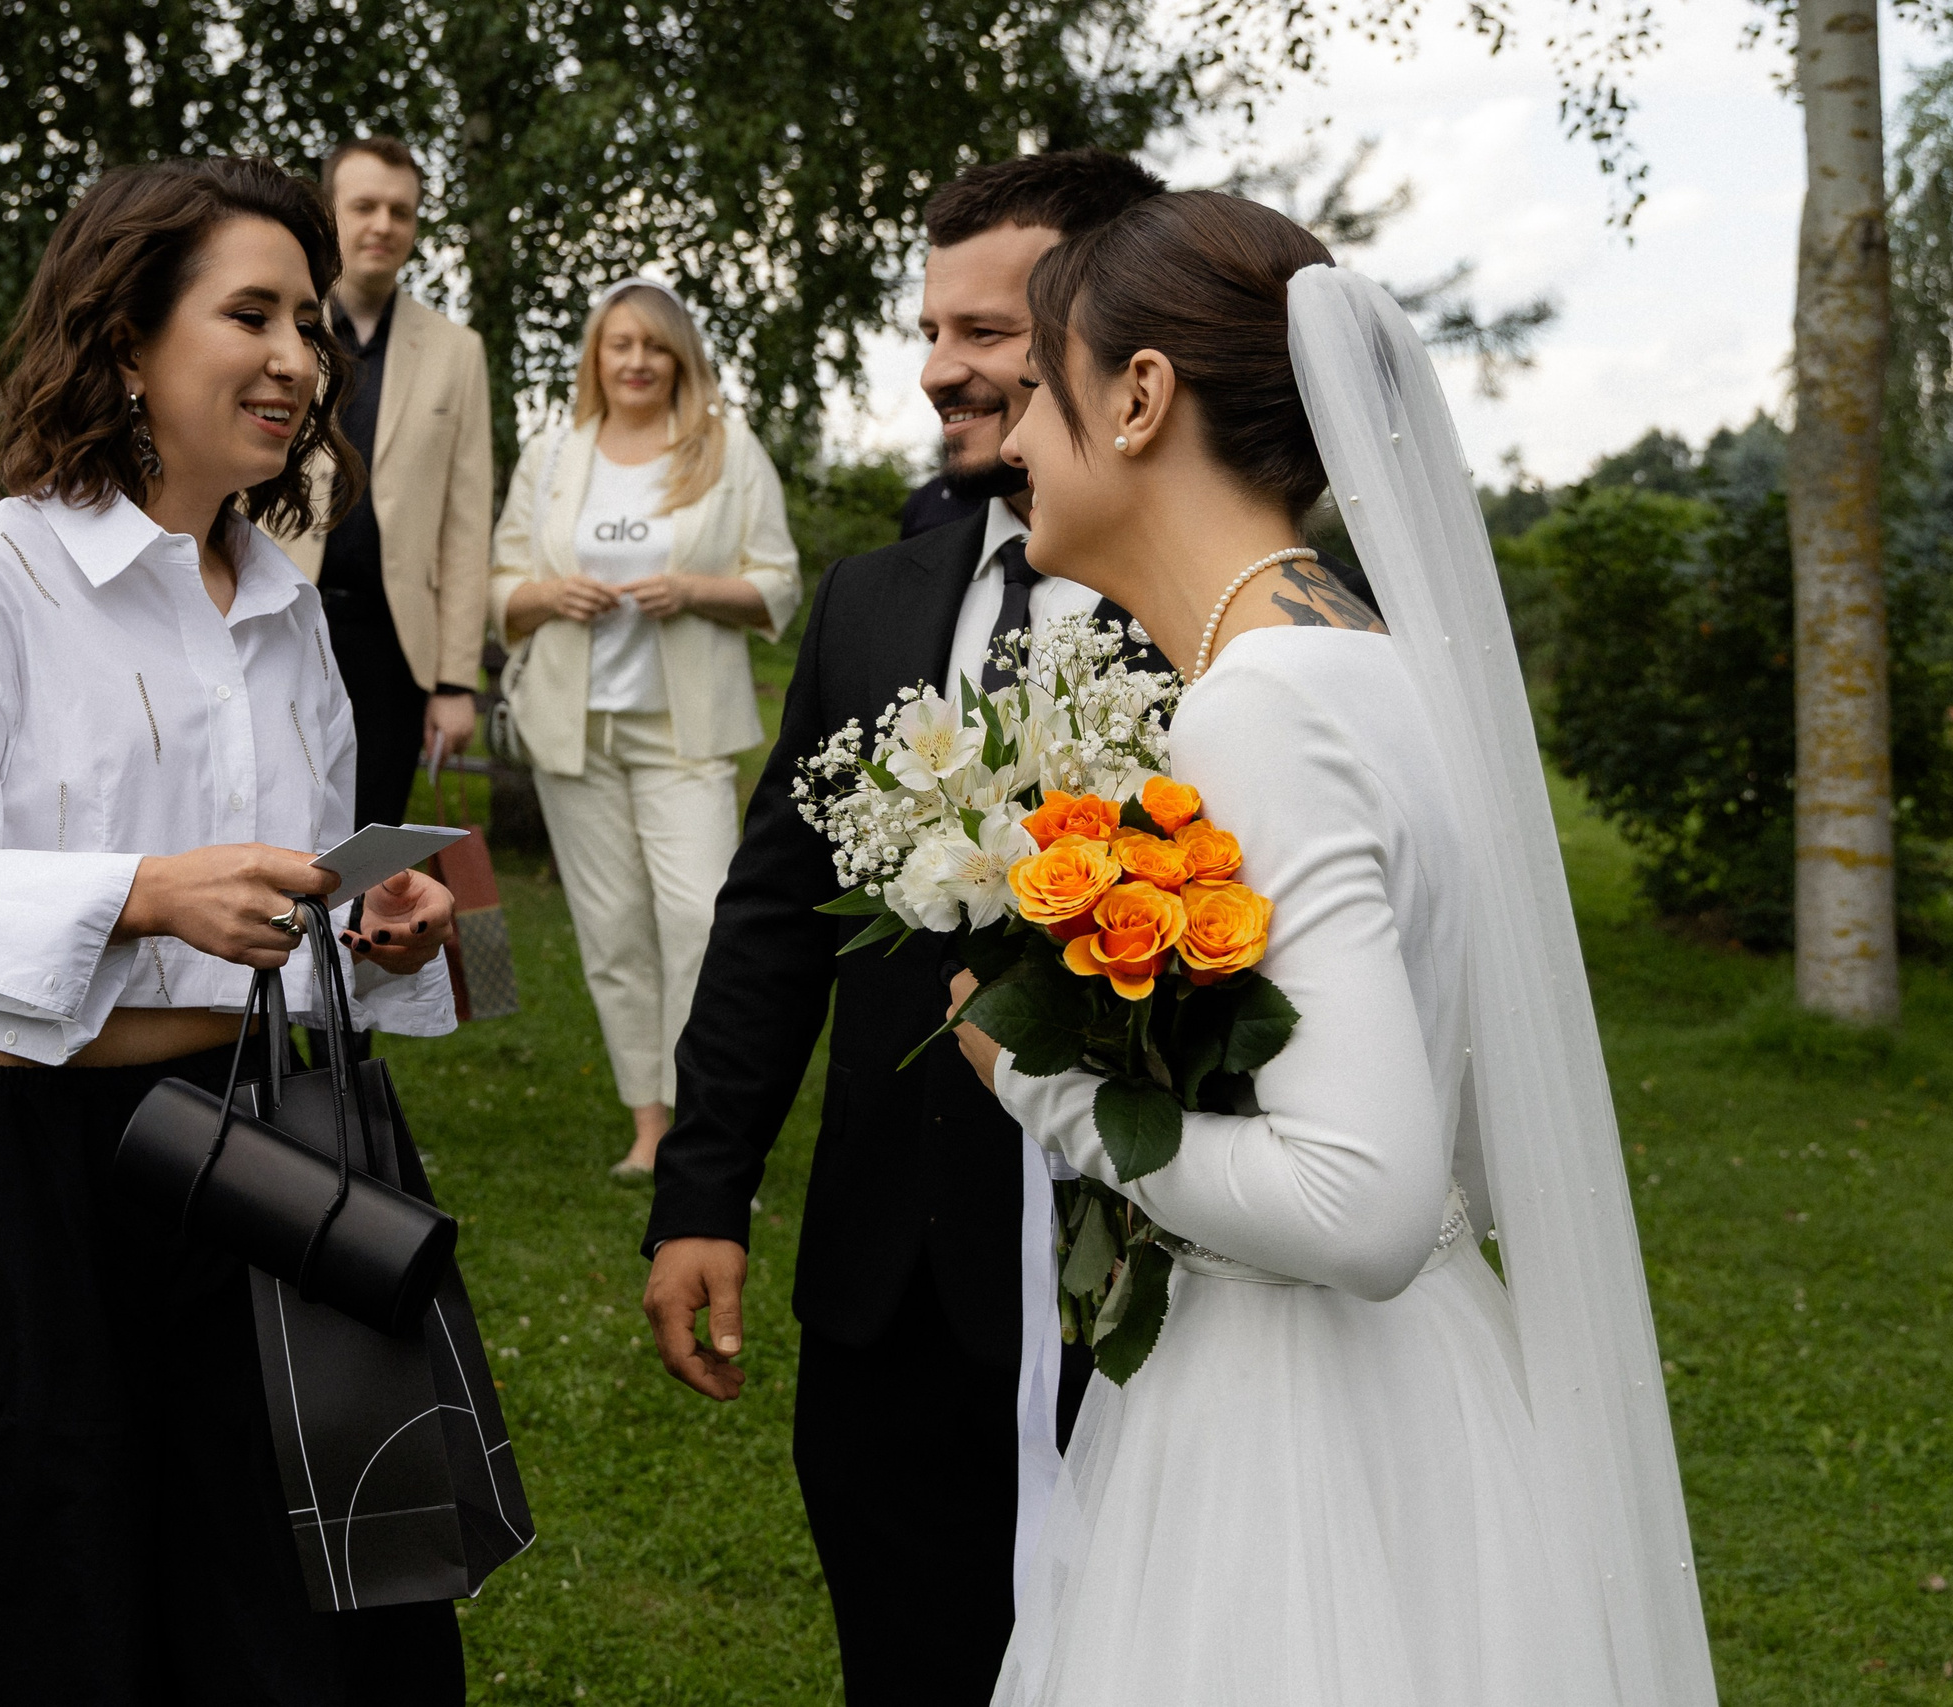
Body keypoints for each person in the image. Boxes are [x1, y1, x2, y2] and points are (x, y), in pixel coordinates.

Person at [963, 193, 1713, 1704]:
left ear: (1139, 396)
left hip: (1289, 1440)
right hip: (1434, 1395)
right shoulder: (1375, 660)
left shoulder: (1263, 703)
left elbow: (1360, 1205)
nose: (1010, 438)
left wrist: (1031, 1075)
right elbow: (1466, 1126)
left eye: (1038, 385)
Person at [0, 155, 462, 1707]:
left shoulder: (292, 615)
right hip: (20, 1191)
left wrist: (374, 923)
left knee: (274, 1633)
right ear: (123, 337)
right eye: (252, 314)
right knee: (29, 1626)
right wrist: (142, 890)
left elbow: (285, 904)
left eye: (310, 323)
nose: (297, 358)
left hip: (263, 1164)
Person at [635, 149, 1162, 1705]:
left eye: (986, 332)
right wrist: (702, 1190)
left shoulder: (1216, 622)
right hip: (885, 1293)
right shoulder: (871, 600)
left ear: (1110, 341)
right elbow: (772, 919)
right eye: (933, 330)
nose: (940, 369)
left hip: (1138, 1294)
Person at [491, 279, 801, 1177]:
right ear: (595, 355)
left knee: (701, 920)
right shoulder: (553, 453)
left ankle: (706, 1123)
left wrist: (693, 590)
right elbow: (501, 587)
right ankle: (649, 1125)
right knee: (613, 933)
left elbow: (778, 582)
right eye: (619, 344)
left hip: (683, 732)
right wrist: (551, 595)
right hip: (572, 731)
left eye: (654, 345)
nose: (635, 361)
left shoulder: (728, 449)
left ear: (680, 358)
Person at [280, 136, 492, 829]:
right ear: (328, 214)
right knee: (270, 824)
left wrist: (454, 682)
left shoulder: (458, 353)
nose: (383, 225)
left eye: (401, 211)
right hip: (282, 620)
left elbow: (466, 527)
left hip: (394, 646)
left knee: (369, 843)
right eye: (364, 206)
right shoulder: (280, 329)